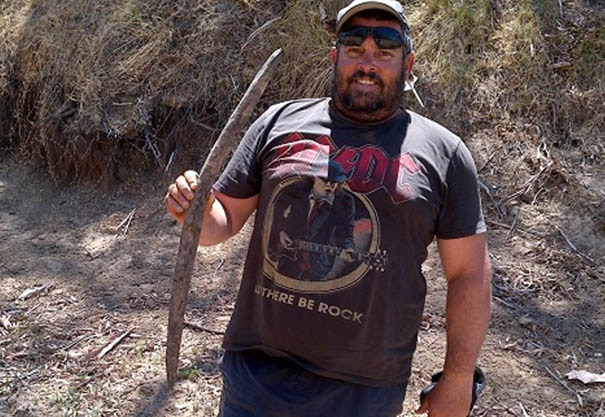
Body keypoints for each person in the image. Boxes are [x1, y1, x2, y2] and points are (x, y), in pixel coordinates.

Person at [164, 1, 492, 416]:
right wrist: (193, 209)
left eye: (385, 51)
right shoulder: (278, 122)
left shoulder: (444, 154)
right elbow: (222, 222)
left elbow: (470, 273)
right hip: (257, 372)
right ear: (334, 55)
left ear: (407, 64)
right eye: (353, 48)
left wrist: (458, 377)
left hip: (363, 390)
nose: (367, 63)